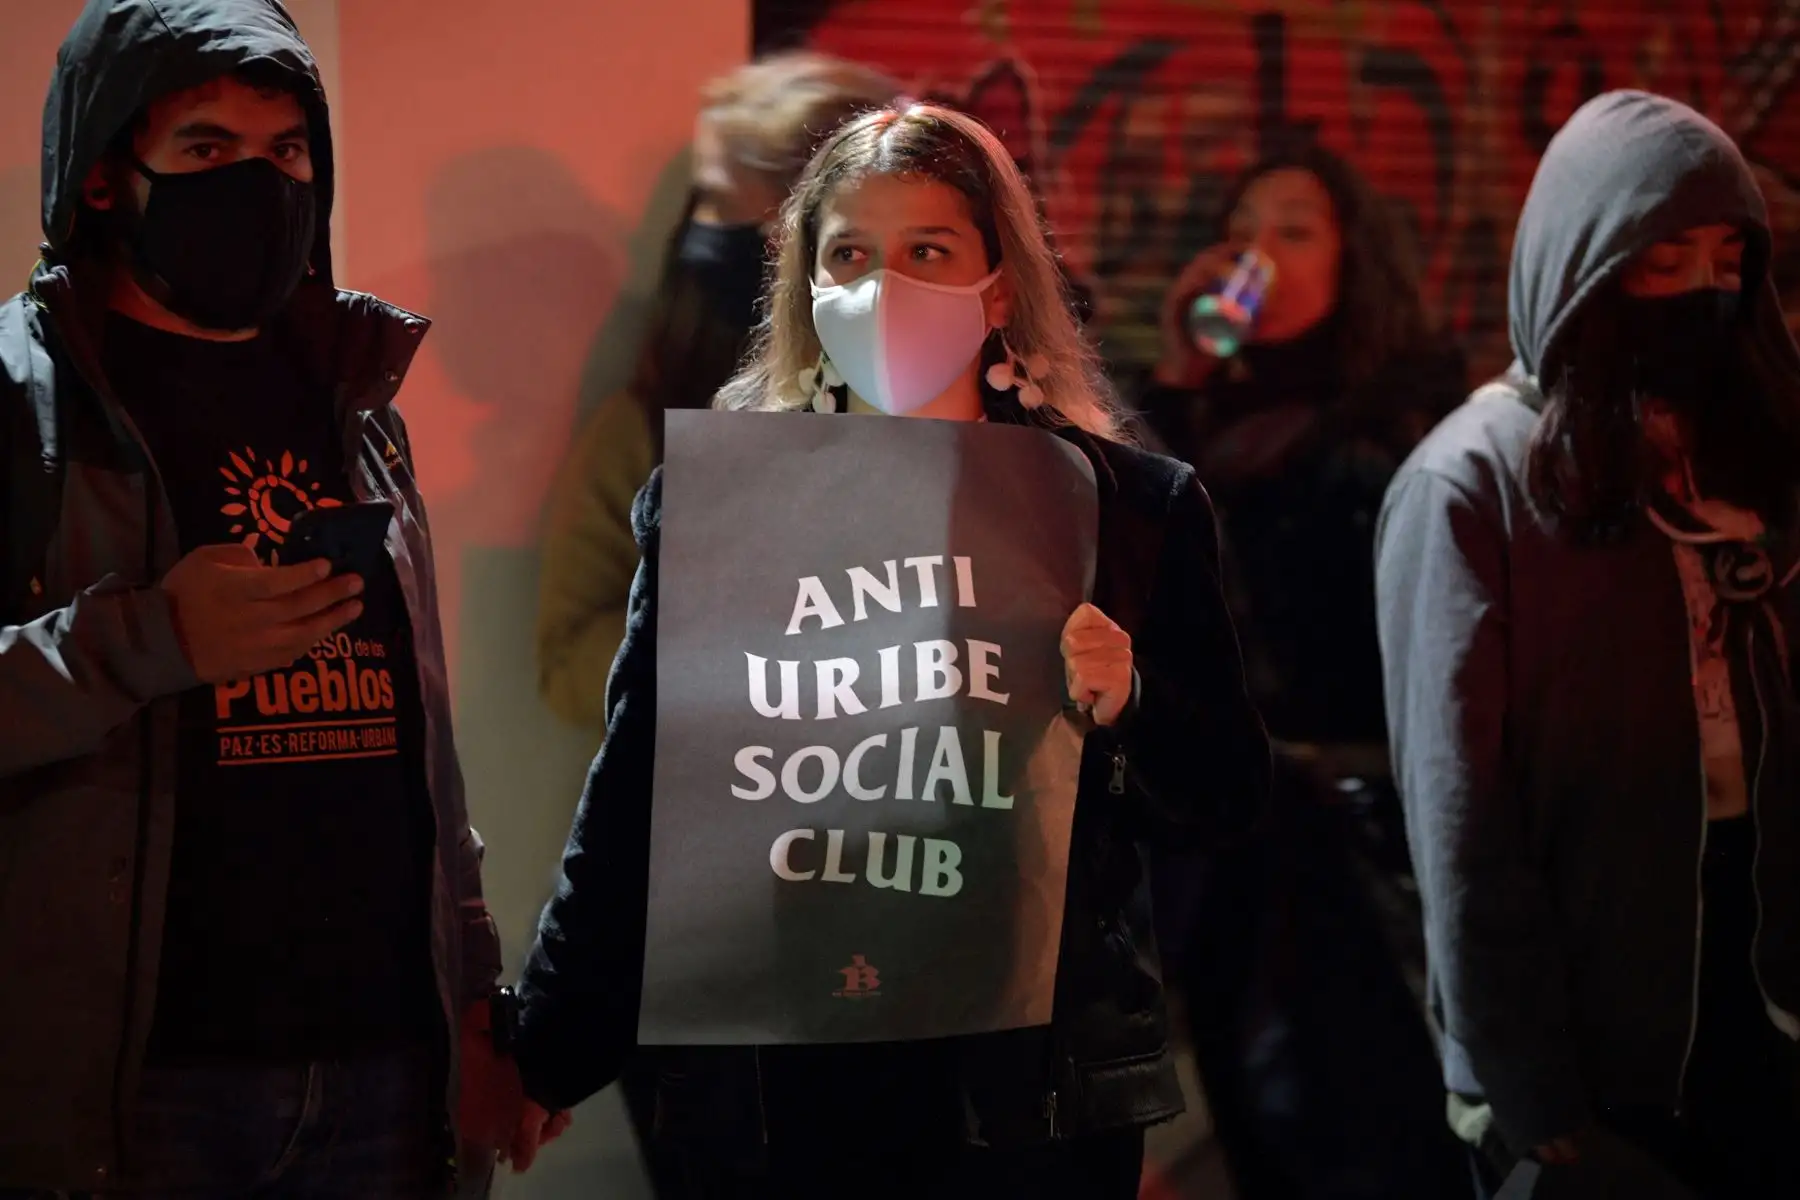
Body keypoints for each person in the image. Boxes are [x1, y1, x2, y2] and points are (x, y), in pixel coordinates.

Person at [504, 103, 1272, 1197]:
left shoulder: (1123, 511)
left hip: (1020, 1104)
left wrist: (1130, 702)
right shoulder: (724, 511)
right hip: (778, 1084)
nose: (884, 285)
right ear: (810, 289)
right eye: (851, 254)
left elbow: (1231, 797)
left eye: (928, 252)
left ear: (997, 285)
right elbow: (635, 796)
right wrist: (547, 1049)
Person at [0, 2, 517, 1195]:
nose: (259, 182)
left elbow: (423, 741)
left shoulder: (353, 399)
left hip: (385, 1067)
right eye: (205, 150)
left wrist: (476, 992)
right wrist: (148, 640)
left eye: (287, 153)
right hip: (144, 1087)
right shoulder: (23, 406)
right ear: (98, 178)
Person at [1377, 89, 1800, 1198]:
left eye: (1725, 262)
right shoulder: (1472, 481)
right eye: (1664, 262)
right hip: (1594, 1012)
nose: (1705, 294)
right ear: (1582, 266)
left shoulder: (1750, 453)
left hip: (1765, 977)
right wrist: (1526, 1081)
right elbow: (1460, 812)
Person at [1135, 142, 1467, 1199]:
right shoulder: (1214, 423)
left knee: (1369, 1131)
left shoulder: (1403, 424)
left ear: (1351, 259)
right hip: (1240, 838)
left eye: (1293, 231)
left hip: (1360, 840)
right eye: (1241, 233)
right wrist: (1178, 383)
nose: (1257, 256)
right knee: (1258, 1124)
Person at [536, 52, 900, 736]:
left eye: (729, 203)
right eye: (702, 201)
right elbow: (569, 667)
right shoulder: (656, 419)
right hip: (719, 803)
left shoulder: (960, 403)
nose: (704, 226)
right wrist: (712, 615)